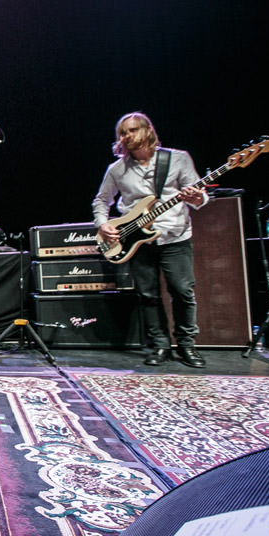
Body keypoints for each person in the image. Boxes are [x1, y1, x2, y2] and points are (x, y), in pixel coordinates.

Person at [92, 112, 207, 368]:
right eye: (122, 133)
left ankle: (187, 345)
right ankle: (160, 346)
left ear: (148, 131)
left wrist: (196, 198)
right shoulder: (117, 170)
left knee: (182, 291)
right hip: (136, 240)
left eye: (132, 130)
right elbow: (101, 200)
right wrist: (104, 224)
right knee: (148, 295)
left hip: (174, 235)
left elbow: (198, 196)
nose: (126, 137)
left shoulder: (178, 159)